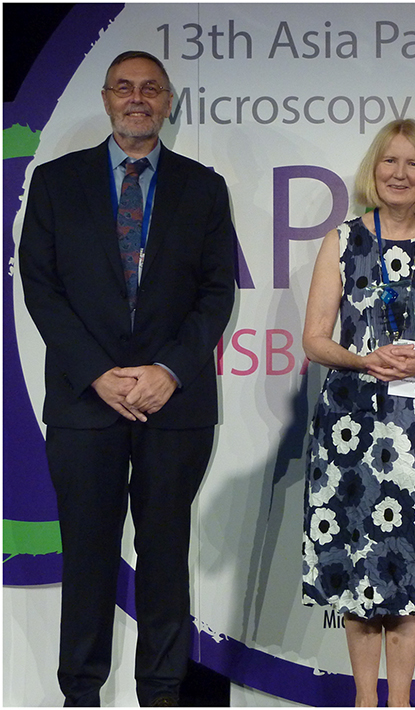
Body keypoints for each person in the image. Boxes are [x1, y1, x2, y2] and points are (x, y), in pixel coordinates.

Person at [18, 50, 236, 706]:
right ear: (107, 98)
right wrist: (98, 375)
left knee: (166, 559)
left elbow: (215, 293)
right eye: (124, 88)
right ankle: (80, 693)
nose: (137, 98)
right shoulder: (57, 183)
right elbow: (40, 288)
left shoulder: (202, 187)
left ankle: (162, 694)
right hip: (86, 405)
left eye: (150, 89)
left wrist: (168, 371)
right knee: (86, 560)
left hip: (176, 405)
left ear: (168, 102)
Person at [301, 118, 415, 707]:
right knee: (361, 566)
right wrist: (363, 359)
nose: (399, 174)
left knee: (414, 568)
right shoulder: (341, 241)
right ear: (372, 170)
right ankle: (363, 701)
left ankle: (400, 702)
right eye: (389, 161)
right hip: (352, 425)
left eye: (412, 163)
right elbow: (314, 339)